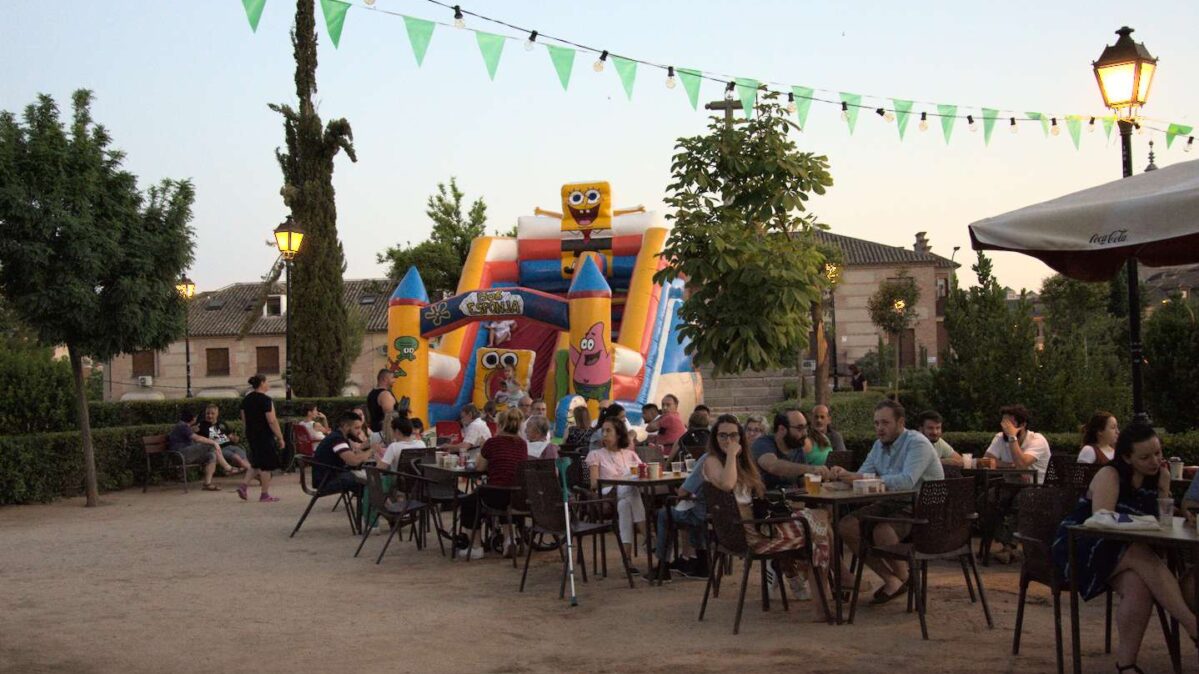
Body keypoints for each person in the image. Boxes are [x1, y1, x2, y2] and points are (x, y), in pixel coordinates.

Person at [1052, 423, 1197, 673]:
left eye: (1158, 453)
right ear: (1127, 457)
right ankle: (1193, 625)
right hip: (1084, 546)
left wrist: (1179, 508)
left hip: (1128, 552)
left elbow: (1162, 514)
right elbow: (1102, 522)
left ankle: (1126, 665)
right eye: (1145, 457)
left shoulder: (1160, 475)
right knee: (1139, 552)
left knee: (1139, 588)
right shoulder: (1111, 475)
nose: (1154, 461)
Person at [703, 413, 832, 617]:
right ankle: (821, 603)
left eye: (734, 436)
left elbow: (758, 494)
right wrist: (730, 455)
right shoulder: (712, 461)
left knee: (817, 522)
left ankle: (799, 578)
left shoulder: (744, 462)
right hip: (747, 535)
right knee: (820, 529)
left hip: (754, 526)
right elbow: (727, 484)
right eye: (723, 436)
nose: (729, 441)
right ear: (714, 438)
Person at [830, 400, 943, 604]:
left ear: (900, 422)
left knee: (881, 530)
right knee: (846, 526)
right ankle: (894, 579)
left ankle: (906, 578)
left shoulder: (917, 443)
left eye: (885, 423)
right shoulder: (879, 445)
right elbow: (864, 474)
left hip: (922, 506)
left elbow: (906, 481)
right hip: (892, 503)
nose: (880, 429)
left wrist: (861, 479)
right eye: (876, 424)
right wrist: (844, 476)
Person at [586, 415, 645, 573]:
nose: (604, 434)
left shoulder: (630, 454)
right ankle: (648, 536)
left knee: (625, 504)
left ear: (618, 434)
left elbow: (642, 473)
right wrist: (619, 480)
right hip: (606, 493)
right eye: (603, 431)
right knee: (628, 488)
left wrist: (628, 480)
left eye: (608, 430)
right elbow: (593, 483)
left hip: (625, 495)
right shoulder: (596, 454)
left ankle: (627, 560)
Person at [654, 444, 710, 582]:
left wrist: (682, 493)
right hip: (719, 516)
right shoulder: (736, 460)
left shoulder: (707, 459)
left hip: (701, 515)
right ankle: (702, 564)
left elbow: (683, 491)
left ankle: (663, 567)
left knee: (664, 514)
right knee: (694, 509)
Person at [750, 409, 828, 490]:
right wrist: (810, 468)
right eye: (800, 428)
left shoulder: (797, 448)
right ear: (782, 429)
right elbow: (772, 466)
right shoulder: (763, 443)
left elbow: (802, 482)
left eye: (806, 428)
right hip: (764, 501)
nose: (805, 433)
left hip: (790, 500)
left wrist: (823, 476)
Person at [237, 374, 286, 502]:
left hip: (252, 434)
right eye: (267, 382)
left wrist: (247, 433)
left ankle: (243, 486)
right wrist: (280, 437)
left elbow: (244, 421)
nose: (268, 384)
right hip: (264, 435)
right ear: (262, 383)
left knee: (257, 463)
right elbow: (272, 420)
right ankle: (264, 494)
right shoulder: (266, 400)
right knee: (266, 465)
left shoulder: (246, 400)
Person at [310, 410, 375, 498]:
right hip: (326, 481)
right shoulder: (337, 439)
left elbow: (353, 457)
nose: (359, 431)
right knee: (365, 481)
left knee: (363, 479)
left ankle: (370, 507)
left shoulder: (338, 436)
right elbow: (353, 461)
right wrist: (372, 451)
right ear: (345, 426)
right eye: (357, 428)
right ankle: (376, 507)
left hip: (327, 477)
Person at [984, 404, 1051, 483]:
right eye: (1003, 423)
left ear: (1022, 425)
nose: (1005, 427)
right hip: (1009, 486)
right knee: (986, 494)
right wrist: (1009, 466)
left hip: (1034, 489)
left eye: (1009, 424)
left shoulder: (1037, 440)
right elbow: (986, 461)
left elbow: (1022, 465)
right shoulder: (1000, 437)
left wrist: (1012, 436)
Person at [167, 409, 221, 491]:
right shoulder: (183, 426)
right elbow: (198, 439)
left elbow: (220, 439)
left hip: (187, 453)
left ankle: (207, 484)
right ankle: (227, 467)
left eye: (212, 414)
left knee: (211, 455)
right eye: (195, 417)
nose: (196, 419)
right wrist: (214, 442)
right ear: (192, 418)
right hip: (181, 454)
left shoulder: (186, 426)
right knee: (210, 445)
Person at [197, 404, 251, 474]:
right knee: (237, 458)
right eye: (208, 413)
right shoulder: (203, 426)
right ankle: (256, 473)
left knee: (244, 459)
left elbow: (232, 437)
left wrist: (234, 438)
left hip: (231, 446)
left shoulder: (222, 424)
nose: (210, 416)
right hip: (219, 450)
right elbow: (213, 441)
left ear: (217, 414)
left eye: (212, 413)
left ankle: (249, 472)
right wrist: (226, 438)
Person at [645, 393, 686, 459]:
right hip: (675, 453)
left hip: (667, 455)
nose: (664, 407)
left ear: (676, 406)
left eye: (668, 405)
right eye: (663, 404)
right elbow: (663, 433)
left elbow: (649, 428)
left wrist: (660, 416)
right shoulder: (676, 416)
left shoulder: (669, 417)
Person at [365, 369, 397, 442]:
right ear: (385, 379)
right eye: (392, 378)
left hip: (376, 432)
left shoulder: (371, 393)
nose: (394, 380)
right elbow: (389, 418)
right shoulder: (385, 395)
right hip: (385, 435)